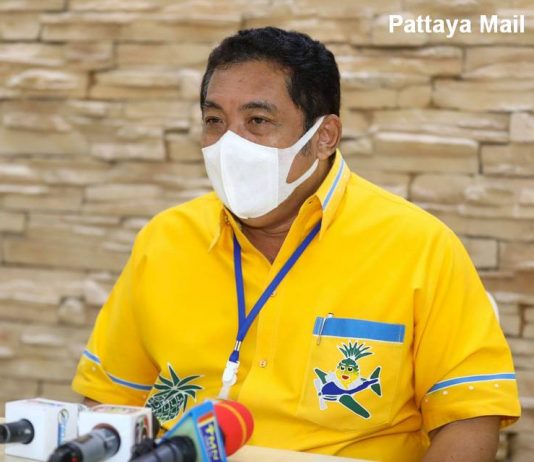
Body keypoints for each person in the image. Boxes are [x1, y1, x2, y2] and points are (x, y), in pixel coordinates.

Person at [72, 27, 521, 462]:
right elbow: (109, 401)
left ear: (324, 136)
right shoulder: (165, 239)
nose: (229, 144)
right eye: (215, 121)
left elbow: (470, 418)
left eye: (258, 121)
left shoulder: (420, 247)